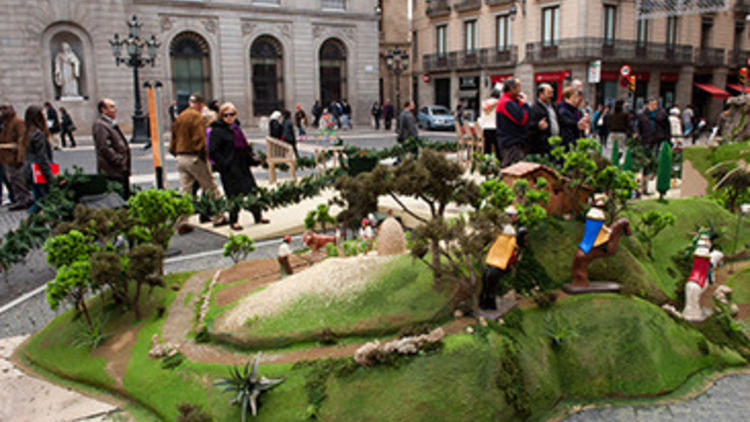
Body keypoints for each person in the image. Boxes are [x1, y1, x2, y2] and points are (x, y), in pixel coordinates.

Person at [208, 102, 269, 230]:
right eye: (226, 115)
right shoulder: (217, 130)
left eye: (232, 114)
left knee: (251, 190)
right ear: (221, 116)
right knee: (233, 194)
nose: (229, 117)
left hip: (242, 164)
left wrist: (252, 157)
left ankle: (257, 215)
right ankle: (233, 220)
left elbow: (245, 146)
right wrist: (224, 164)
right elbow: (213, 151)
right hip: (229, 167)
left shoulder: (236, 128)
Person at [170, 93, 224, 231]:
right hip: (194, 156)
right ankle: (219, 216)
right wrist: (203, 156)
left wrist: (176, 153)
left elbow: (173, 140)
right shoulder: (197, 117)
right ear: (200, 104)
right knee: (210, 187)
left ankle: (183, 220)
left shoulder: (180, 117)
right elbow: (200, 140)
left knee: (185, 191)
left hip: (180, 157)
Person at [92, 98, 132, 199]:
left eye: (114, 107)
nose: (115, 109)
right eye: (111, 107)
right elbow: (104, 147)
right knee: (117, 197)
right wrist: (118, 160)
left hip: (120, 169)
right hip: (112, 171)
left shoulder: (110, 124)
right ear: (103, 110)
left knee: (124, 195)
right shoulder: (100, 125)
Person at [23, 105, 54, 213]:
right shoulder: (38, 134)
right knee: (44, 201)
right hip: (38, 171)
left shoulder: (27, 132)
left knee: (38, 199)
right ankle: (28, 222)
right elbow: (42, 157)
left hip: (30, 170)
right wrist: (50, 175)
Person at [0, 105, 31, 210]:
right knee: (11, 179)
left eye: (4, 109)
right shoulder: (4, 123)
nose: (2, 112)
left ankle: (24, 199)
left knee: (17, 178)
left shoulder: (18, 122)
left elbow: (21, 140)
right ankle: (17, 198)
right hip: (5, 156)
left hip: (13, 156)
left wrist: (20, 157)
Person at [495, 78, 529, 167]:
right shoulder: (507, 103)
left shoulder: (510, 101)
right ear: (512, 88)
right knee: (514, 169)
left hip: (511, 141)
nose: (520, 90)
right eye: (518, 87)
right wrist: (525, 105)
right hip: (512, 142)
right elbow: (521, 119)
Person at [527, 83, 558, 156]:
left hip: (555, 142)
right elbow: (529, 127)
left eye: (552, 93)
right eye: (549, 93)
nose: (551, 96)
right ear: (541, 94)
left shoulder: (553, 106)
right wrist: (538, 126)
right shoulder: (534, 109)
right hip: (543, 147)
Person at [478, 84, 502, 160]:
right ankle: (499, 164)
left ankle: (486, 164)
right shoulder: (497, 102)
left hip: (486, 128)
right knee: (498, 148)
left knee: (487, 149)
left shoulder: (484, 102)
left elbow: (485, 107)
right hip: (494, 127)